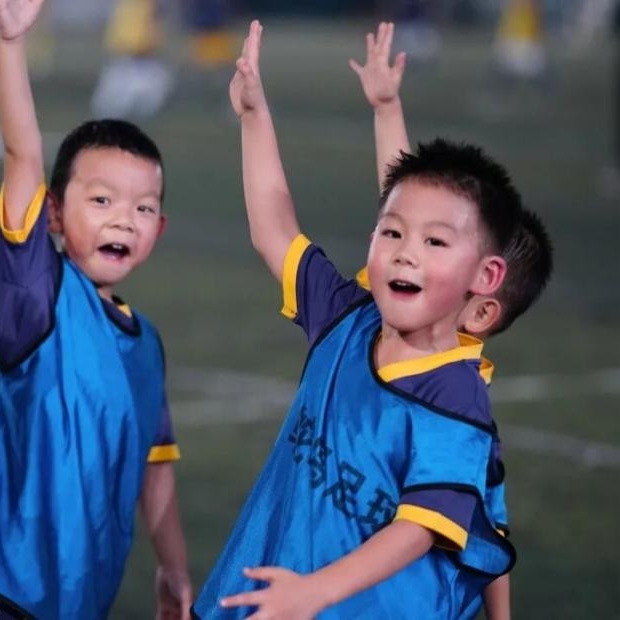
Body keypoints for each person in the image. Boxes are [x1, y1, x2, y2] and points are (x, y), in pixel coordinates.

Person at [193, 21, 533, 618]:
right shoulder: (346, 318)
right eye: (391, 234)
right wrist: (253, 115)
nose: (405, 253)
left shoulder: (457, 400)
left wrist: (316, 591)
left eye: (435, 243)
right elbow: (276, 229)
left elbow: (419, 528)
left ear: (485, 281)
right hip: (264, 595)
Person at [0, 1, 191, 618]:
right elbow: (23, 157)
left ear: (160, 229)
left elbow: (156, 465)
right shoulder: (38, 295)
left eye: (142, 208)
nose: (123, 219)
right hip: (12, 584)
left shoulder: (148, 344)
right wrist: (10, 46)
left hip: (85, 592)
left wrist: (173, 566)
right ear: (54, 213)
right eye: (102, 200)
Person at [350, 23, 554, 618]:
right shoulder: (398, 325)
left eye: (441, 246)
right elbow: (406, 200)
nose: (413, 254)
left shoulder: (463, 414)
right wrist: (386, 109)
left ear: (483, 300)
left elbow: (490, 540)